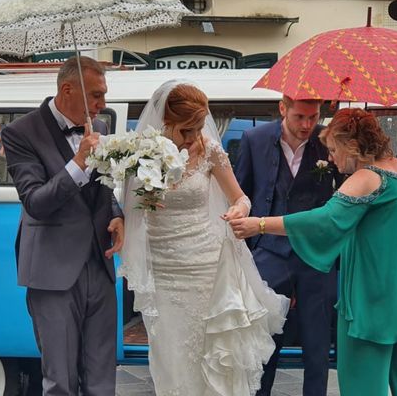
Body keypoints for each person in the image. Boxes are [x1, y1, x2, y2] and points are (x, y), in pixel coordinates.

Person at [230, 108, 397, 396]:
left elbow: (323, 221)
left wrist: (259, 224)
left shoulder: (368, 177)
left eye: (333, 149)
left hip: (372, 302)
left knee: (362, 387)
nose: (330, 157)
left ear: (352, 146)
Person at [113, 81, 289, 396]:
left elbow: (241, 198)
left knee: (213, 356)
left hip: (207, 266)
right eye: (186, 130)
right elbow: (131, 210)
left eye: (197, 128)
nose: (193, 136)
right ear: (166, 122)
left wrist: (238, 210)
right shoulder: (142, 154)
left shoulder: (209, 148)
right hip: (165, 270)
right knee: (172, 359)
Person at [1, 56, 124, 396]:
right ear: (67, 89)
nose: (103, 104)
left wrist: (117, 214)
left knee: (102, 375)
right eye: (97, 95)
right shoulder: (20, 132)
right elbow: (35, 202)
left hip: (99, 264)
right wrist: (78, 162)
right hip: (52, 270)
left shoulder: (99, 128)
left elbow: (104, 190)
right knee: (60, 380)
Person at [234, 96, 342, 396]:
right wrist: (250, 249)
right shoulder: (254, 139)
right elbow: (242, 193)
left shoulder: (327, 141)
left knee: (317, 348)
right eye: (299, 117)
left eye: (313, 116)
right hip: (268, 254)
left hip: (317, 258)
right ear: (283, 108)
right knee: (263, 343)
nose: (307, 124)